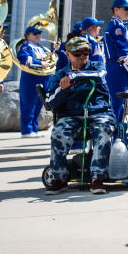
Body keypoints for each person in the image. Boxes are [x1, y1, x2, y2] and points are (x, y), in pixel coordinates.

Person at [43, 36, 117, 196]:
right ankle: (59, 178)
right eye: (78, 53)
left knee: (103, 129)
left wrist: (75, 76)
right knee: (58, 131)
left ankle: (97, 177)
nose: (83, 56)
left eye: (86, 52)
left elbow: (100, 76)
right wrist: (63, 88)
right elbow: (50, 103)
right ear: (68, 54)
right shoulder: (59, 75)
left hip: (100, 114)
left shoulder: (98, 66)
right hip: (72, 116)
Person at [103, 0, 128, 123]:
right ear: (116, 10)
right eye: (125, 9)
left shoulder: (117, 25)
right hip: (118, 71)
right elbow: (123, 54)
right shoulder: (116, 26)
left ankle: (117, 138)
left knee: (118, 108)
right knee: (117, 109)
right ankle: (116, 140)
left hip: (116, 70)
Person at [16, 25, 52, 138]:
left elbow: (47, 59)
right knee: (29, 104)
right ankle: (27, 130)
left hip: (42, 78)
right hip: (31, 78)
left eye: (39, 33)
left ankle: (34, 129)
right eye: (35, 34)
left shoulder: (40, 47)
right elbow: (23, 58)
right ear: (28, 36)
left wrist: (55, 50)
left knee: (38, 105)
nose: (38, 35)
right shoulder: (26, 45)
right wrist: (41, 63)